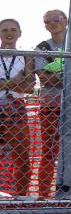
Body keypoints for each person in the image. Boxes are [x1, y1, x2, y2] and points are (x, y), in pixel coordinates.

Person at [32, 9, 67, 197]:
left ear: (65, 20)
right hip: (51, 106)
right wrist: (70, 75)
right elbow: (45, 79)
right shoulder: (43, 47)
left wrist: (58, 76)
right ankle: (43, 196)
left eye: (55, 19)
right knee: (49, 152)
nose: (51, 24)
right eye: (47, 21)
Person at [0, 19, 33, 196]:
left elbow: (28, 87)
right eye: (4, 30)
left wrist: (4, 84)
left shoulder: (26, 55)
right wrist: (16, 82)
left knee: (22, 157)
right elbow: (22, 84)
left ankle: (20, 196)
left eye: (13, 29)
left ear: (20, 33)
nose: (8, 33)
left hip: (16, 106)